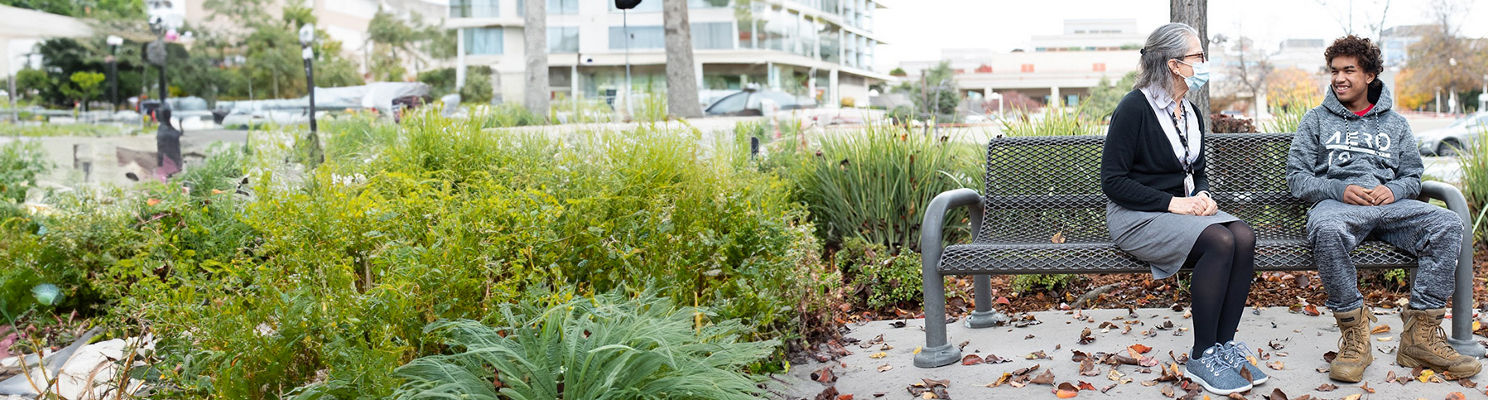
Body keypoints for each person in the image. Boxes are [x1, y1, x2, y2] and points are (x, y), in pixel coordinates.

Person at [1287, 35, 1482, 382]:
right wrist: (1338, 188)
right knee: (1327, 230)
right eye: (1334, 71)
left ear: (1370, 75)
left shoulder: (1395, 124)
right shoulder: (1315, 120)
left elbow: (1413, 175)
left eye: (1349, 70)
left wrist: (1393, 190)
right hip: (1338, 207)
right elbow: (1297, 178)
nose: (1339, 78)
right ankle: (1355, 336)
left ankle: (1419, 338)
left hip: (1390, 208)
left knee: (1448, 223)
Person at [1101, 22, 1261, 395]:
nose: (1204, 64)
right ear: (1174, 64)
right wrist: (1174, 203)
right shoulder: (1134, 108)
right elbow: (1113, 182)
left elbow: (1197, 171)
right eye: (1198, 57)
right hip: (1135, 215)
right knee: (1220, 241)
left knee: (1243, 235)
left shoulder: (1190, 111)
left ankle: (1223, 347)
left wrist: (1202, 196)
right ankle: (1202, 355)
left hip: (1181, 212)